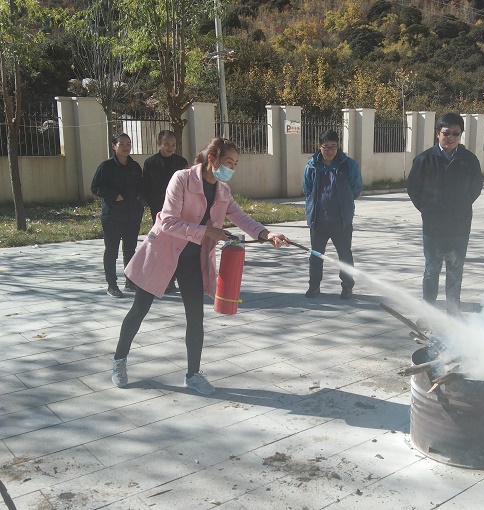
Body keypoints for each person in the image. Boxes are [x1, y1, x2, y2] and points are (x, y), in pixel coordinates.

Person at [111, 137, 290, 395]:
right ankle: (119, 360)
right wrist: (207, 231)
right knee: (139, 309)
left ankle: (193, 375)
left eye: (235, 164)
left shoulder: (222, 190)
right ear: (212, 160)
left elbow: (240, 217)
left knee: (195, 317)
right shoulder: (182, 179)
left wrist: (267, 234)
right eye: (228, 162)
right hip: (163, 253)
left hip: (192, 259)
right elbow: (168, 222)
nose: (232, 168)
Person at [407, 113, 483, 316]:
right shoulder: (424, 160)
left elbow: (476, 187)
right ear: (437, 133)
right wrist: (428, 210)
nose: (450, 138)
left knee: (455, 270)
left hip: (460, 227)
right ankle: (428, 314)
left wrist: (461, 206)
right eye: (446, 133)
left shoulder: (469, 160)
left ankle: (453, 312)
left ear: (461, 135)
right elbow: (413, 189)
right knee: (431, 271)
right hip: (433, 228)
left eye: (456, 134)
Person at [302, 130, 362, 300]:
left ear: (338, 146)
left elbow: (356, 188)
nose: (330, 151)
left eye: (334, 147)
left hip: (341, 221)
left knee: (345, 255)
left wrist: (345, 202)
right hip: (318, 220)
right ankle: (314, 286)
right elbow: (307, 189)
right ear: (319, 147)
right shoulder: (312, 166)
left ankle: (347, 286)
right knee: (316, 255)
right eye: (326, 147)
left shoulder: (348, 165)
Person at [91, 132, 144, 298]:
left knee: (130, 249)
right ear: (114, 146)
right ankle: (112, 285)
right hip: (112, 216)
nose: (126, 147)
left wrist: (140, 203)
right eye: (122, 144)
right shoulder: (106, 167)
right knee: (111, 251)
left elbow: (141, 188)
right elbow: (95, 187)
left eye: (128, 144)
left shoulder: (135, 167)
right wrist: (114, 195)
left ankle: (130, 281)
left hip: (132, 215)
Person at [141, 130, 189, 294]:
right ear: (158, 143)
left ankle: (174, 278)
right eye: (167, 144)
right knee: (160, 244)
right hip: (159, 210)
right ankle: (160, 278)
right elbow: (146, 186)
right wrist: (150, 203)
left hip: (178, 209)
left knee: (176, 244)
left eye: (173, 145)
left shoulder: (181, 162)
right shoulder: (150, 163)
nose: (170, 148)